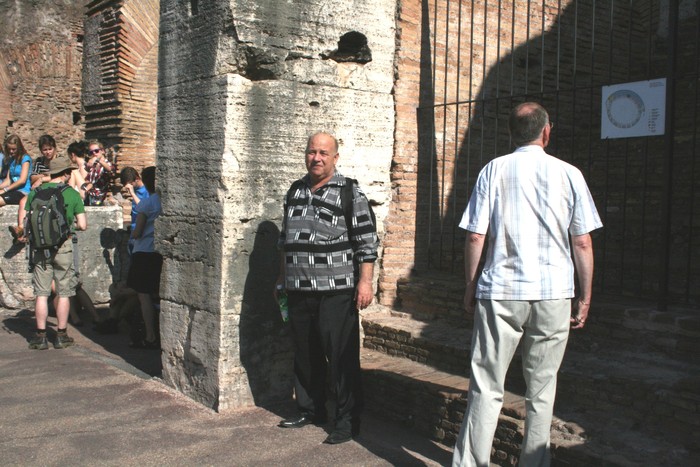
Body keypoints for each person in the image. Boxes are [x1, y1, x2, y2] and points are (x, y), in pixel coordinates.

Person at [451, 103, 603, 467]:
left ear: (510, 133)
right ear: (546, 132)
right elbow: (581, 241)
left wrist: (471, 287)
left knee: (486, 386)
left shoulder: (494, 169)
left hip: (501, 291)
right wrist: (585, 296)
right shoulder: (570, 174)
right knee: (542, 390)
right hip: (553, 292)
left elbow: (475, 236)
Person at [276, 132, 378, 445]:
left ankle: (347, 421)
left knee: (341, 357)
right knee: (306, 354)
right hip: (298, 288)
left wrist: (365, 281)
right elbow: (285, 241)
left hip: (337, 290)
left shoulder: (349, 191)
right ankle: (311, 409)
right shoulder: (295, 190)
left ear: (335, 158)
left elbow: (366, 240)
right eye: (311, 152)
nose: (316, 158)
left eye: (323, 153)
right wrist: (281, 280)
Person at [25, 157, 86, 350]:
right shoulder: (72, 195)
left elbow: (28, 221)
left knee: (41, 293)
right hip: (63, 246)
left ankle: (41, 336)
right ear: (66, 174)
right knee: (64, 292)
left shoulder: (34, 193)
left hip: (40, 248)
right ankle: (61, 335)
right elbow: (83, 225)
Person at [125, 166, 162, 349]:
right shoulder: (164, 202)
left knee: (143, 296)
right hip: (157, 252)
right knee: (155, 293)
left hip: (143, 252)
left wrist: (132, 236)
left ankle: (150, 334)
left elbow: (137, 232)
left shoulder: (146, 205)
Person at [1, 135, 32, 241]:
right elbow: (8, 180)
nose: (11, 151)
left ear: (19, 147)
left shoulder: (25, 159)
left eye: (13, 149)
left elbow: (22, 180)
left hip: (23, 191)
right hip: (13, 190)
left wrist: (5, 190)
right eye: (9, 149)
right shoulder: (11, 160)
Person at [120, 166, 150, 253]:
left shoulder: (147, 191)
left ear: (137, 179)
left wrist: (132, 194)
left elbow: (145, 208)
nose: (130, 187)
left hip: (142, 234)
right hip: (133, 232)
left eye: (130, 183)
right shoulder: (136, 190)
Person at [84, 140, 115, 206]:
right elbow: (88, 179)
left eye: (96, 151)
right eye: (91, 152)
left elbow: (110, 169)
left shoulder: (107, 163)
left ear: (102, 151)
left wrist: (98, 160)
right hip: (90, 196)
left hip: (101, 197)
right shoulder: (93, 165)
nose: (94, 153)